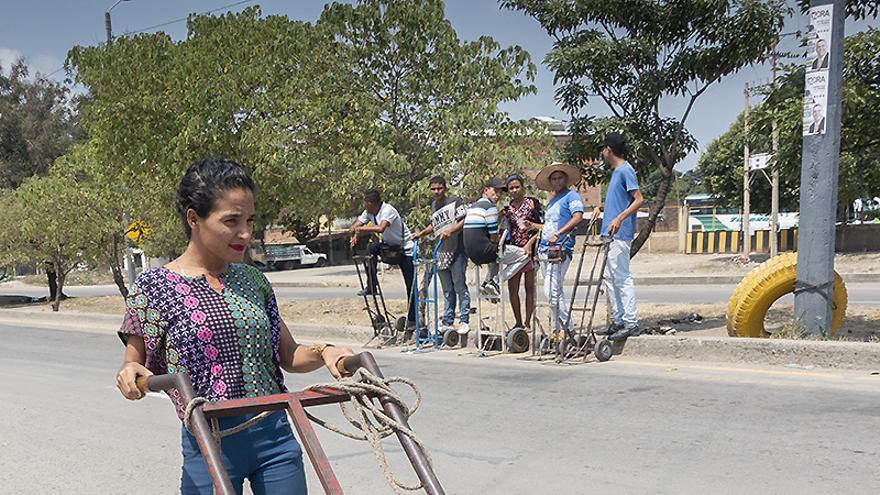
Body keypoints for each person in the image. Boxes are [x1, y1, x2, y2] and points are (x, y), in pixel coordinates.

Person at [115, 158, 354, 494]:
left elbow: (288, 355)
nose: (245, 233)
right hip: (208, 440)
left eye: (249, 220)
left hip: (274, 436)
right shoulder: (155, 286)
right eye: (231, 221)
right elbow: (133, 366)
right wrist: (131, 376)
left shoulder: (253, 280)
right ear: (193, 219)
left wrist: (327, 352)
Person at [591, 133, 645, 341]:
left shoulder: (625, 170)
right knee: (609, 277)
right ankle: (618, 320)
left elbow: (638, 200)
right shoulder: (616, 172)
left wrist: (619, 219)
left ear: (608, 149)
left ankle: (630, 322)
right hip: (610, 233)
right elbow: (619, 200)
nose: (602, 153)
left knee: (621, 277)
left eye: (603, 149)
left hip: (620, 233)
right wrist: (602, 208)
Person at [412, 176, 471, 335]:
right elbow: (435, 225)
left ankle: (464, 320)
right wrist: (421, 233)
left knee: (459, 286)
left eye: (439, 188)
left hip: (457, 250)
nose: (437, 191)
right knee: (447, 290)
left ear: (445, 188)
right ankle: (447, 322)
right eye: (433, 189)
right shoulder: (434, 205)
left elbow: (464, 219)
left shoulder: (455, 201)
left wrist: (451, 230)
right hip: (441, 251)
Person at [349, 189, 417, 328]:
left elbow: (381, 228)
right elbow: (355, 225)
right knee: (371, 249)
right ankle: (372, 285)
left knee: (411, 286)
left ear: (370, 203)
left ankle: (412, 320)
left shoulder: (388, 210)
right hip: (389, 248)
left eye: (365, 203)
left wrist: (361, 230)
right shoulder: (369, 212)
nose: (364, 206)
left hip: (405, 249)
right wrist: (354, 233)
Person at [535, 163, 584, 339]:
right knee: (556, 291)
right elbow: (548, 226)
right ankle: (556, 330)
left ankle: (569, 327)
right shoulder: (552, 201)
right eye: (554, 179)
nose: (557, 181)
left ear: (565, 179)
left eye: (560, 178)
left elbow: (578, 217)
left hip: (560, 247)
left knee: (551, 291)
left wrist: (560, 233)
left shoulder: (572, 196)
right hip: (544, 249)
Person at [500, 174, 541, 332]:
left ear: (522, 187)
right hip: (514, 252)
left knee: (529, 288)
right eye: (511, 188)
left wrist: (530, 244)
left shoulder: (532, 204)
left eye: (517, 187)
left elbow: (542, 227)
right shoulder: (507, 209)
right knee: (513, 289)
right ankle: (517, 322)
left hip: (529, 251)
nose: (515, 190)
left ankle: (527, 322)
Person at [463, 176, 505, 297]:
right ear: (486, 190)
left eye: (500, 193)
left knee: (495, 253)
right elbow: (494, 238)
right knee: (522, 255)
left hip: (472, 253)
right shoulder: (490, 207)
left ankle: (486, 283)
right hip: (483, 252)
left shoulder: (474, 206)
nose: (497, 195)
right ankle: (494, 281)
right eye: (495, 191)